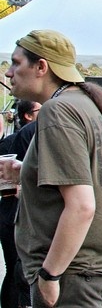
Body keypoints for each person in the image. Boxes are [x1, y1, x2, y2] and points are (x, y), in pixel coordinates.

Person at [1, 30, 102, 307]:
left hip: (70, 275)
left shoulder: (57, 110)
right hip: (82, 270)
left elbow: (82, 206)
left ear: (41, 67)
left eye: (16, 63)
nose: (9, 72)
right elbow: (90, 176)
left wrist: (49, 275)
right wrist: (27, 171)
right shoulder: (84, 103)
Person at [0, 100, 40, 308]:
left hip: (11, 215)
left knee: (15, 272)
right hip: (16, 216)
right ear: (28, 115)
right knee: (19, 273)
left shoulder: (15, 140)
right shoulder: (32, 136)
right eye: (39, 109)